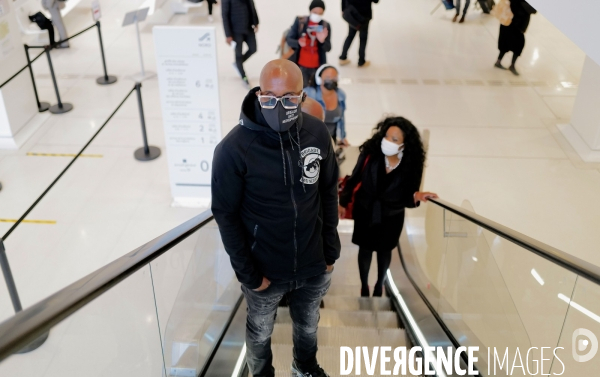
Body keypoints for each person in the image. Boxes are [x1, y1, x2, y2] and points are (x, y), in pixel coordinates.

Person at [212, 59, 340, 377]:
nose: (278, 106)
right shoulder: (234, 149)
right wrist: (248, 274)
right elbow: (225, 214)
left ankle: (304, 367)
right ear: (257, 94)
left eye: (289, 98)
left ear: (303, 96)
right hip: (264, 270)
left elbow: (328, 192)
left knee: (309, 326)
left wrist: (330, 251)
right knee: (259, 333)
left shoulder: (316, 133)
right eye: (268, 97)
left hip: (313, 263)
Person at [338, 116, 438, 297]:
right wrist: (343, 202)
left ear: (404, 144)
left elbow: (408, 195)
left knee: (385, 252)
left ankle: (379, 285)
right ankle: (364, 286)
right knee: (365, 250)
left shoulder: (411, 164)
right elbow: (355, 178)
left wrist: (417, 196)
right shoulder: (370, 154)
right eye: (386, 136)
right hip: (366, 210)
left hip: (391, 216)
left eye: (394, 139)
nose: (388, 142)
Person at [286, 0, 332, 87]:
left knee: (316, 91)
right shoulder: (300, 22)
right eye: (315, 12)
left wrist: (322, 41)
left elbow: (328, 48)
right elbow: (289, 40)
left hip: (318, 66)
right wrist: (299, 42)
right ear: (310, 10)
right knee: (303, 90)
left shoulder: (325, 25)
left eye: (320, 13)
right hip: (301, 65)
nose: (317, 15)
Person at [304, 64, 348, 146]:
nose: (331, 80)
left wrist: (342, 137)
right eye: (328, 77)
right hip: (310, 138)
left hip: (330, 139)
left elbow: (341, 118)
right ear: (319, 79)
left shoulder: (341, 95)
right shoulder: (309, 94)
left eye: (334, 77)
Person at [222, 0, 259, 87]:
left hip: (248, 27)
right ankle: (243, 76)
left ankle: (238, 64)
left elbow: (252, 6)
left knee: (253, 48)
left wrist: (256, 22)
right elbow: (225, 15)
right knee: (238, 55)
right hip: (235, 31)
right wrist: (228, 35)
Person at [494, 0, 537, 76]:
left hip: (510, 24)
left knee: (508, 44)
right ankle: (509, 64)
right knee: (516, 45)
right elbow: (530, 10)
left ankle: (501, 62)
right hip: (513, 25)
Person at [339, 0, 379, 68]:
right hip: (364, 15)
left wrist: (343, 9)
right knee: (363, 39)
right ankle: (361, 61)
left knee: (350, 36)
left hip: (352, 14)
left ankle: (343, 57)